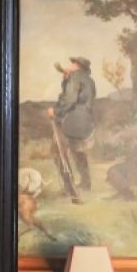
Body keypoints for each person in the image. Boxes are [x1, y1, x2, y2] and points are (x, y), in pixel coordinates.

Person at [47, 56, 97, 195]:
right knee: (78, 151)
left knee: (57, 152)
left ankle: (69, 188)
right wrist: (65, 80)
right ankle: (86, 184)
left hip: (71, 121)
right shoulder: (89, 80)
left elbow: (69, 99)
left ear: (77, 66)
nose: (69, 65)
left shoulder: (74, 78)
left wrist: (55, 112)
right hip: (85, 122)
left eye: (72, 63)